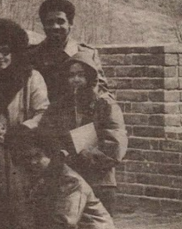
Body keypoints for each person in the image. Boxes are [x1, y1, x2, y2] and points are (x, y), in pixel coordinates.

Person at [0, 18, 49, 226]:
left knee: (29, 210)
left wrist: (22, 130)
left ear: (14, 51)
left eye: (5, 51)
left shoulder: (31, 78)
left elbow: (43, 112)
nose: (0, 57)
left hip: (26, 154)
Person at [39, 50, 127, 213]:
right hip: (69, 180)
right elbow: (46, 132)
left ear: (90, 77)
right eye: (71, 75)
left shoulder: (105, 105)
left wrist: (83, 157)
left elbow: (115, 146)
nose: (76, 80)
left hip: (99, 182)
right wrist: (59, 153)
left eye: (81, 75)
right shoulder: (60, 105)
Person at [29, 0, 107, 105]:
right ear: (43, 26)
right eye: (50, 22)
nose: (55, 27)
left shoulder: (87, 54)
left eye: (61, 21)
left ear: (70, 24)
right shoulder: (32, 55)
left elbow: (102, 93)